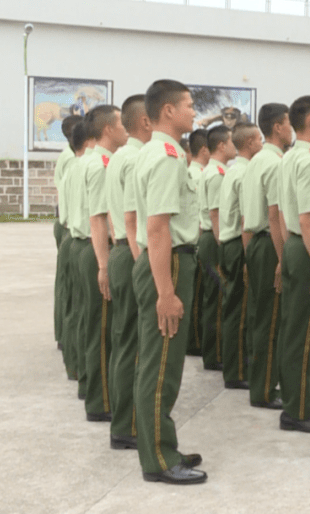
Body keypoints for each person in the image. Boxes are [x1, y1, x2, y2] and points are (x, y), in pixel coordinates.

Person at [131, 79, 205, 485]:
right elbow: (158, 229)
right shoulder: (165, 156)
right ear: (168, 111)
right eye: (189, 105)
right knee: (161, 368)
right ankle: (159, 458)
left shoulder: (156, 152)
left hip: (166, 263)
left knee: (159, 363)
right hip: (169, 265)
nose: (194, 112)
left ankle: (162, 445)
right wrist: (164, 291)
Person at [276, 95, 310, 433]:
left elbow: (285, 215)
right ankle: (299, 410)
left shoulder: (290, 157)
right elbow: (308, 219)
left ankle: (295, 404)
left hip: (296, 246)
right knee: (307, 333)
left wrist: (287, 255)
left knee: (295, 330)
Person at [105, 94, 150, 450]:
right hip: (133, 252)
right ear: (147, 122)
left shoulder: (119, 157)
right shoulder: (136, 159)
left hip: (120, 250)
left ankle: (123, 422)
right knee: (135, 346)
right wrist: (141, 265)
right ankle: (130, 425)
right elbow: (134, 220)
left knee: (125, 342)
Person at [241, 104, 291, 409]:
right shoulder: (273, 163)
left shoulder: (257, 161)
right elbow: (274, 215)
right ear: (277, 127)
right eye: (288, 124)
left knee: (261, 318)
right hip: (271, 244)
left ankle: (262, 384)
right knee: (272, 322)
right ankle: (263, 390)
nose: (291, 130)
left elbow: (249, 213)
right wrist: (282, 258)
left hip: (257, 243)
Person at [80, 105, 128, 423]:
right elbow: (98, 219)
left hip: (98, 250)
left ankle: (99, 394)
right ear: (109, 129)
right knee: (102, 332)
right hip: (100, 250)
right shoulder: (100, 165)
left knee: (101, 327)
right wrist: (103, 265)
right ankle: (101, 403)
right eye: (123, 123)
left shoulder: (99, 161)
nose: (128, 128)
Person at [217, 122, 261, 389]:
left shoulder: (233, 171)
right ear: (250, 143)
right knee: (241, 311)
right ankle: (236, 371)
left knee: (234, 308)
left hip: (229, 242)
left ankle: (235, 367)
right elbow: (247, 219)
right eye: (258, 140)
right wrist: (248, 257)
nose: (261, 144)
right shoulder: (245, 173)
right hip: (239, 243)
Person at [64, 119, 97, 406]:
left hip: (77, 241)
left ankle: (78, 369)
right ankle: (94, 389)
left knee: (79, 312)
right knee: (95, 322)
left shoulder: (75, 166)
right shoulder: (95, 165)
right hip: (89, 243)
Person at [199, 126, 235, 371]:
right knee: (218, 297)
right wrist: (222, 242)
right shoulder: (217, 174)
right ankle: (215, 354)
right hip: (214, 239)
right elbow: (215, 213)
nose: (234, 145)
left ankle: (213, 352)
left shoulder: (213, 170)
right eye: (232, 141)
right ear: (222, 145)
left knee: (214, 296)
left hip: (210, 237)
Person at [57, 119, 87, 383]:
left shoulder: (76, 165)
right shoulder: (87, 166)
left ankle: (75, 365)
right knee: (81, 309)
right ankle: (78, 368)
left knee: (75, 304)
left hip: (75, 235)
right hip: (82, 237)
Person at [185, 129, 210, 356]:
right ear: (204, 150)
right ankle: (193, 341)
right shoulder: (198, 175)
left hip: (196, 238)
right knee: (197, 294)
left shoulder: (194, 172)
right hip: (197, 237)